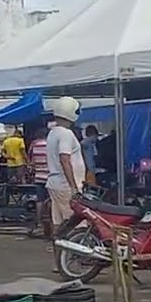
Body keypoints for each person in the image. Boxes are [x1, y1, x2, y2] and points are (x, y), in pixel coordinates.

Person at [45, 97, 85, 234]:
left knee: (58, 222)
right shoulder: (66, 134)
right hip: (65, 185)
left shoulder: (53, 132)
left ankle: (60, 252)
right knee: (75, 223)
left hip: (55, 182)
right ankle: (72, 253)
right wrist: (73, 187)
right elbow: (65, 159)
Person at [29, 130, 51, 239]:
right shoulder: (48, 145)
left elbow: (32, 162)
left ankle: (39, 221)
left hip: (38, 177)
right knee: (49, 201)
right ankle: (49, 221)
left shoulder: (34, 146)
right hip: (49, 176)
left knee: (40, 200)